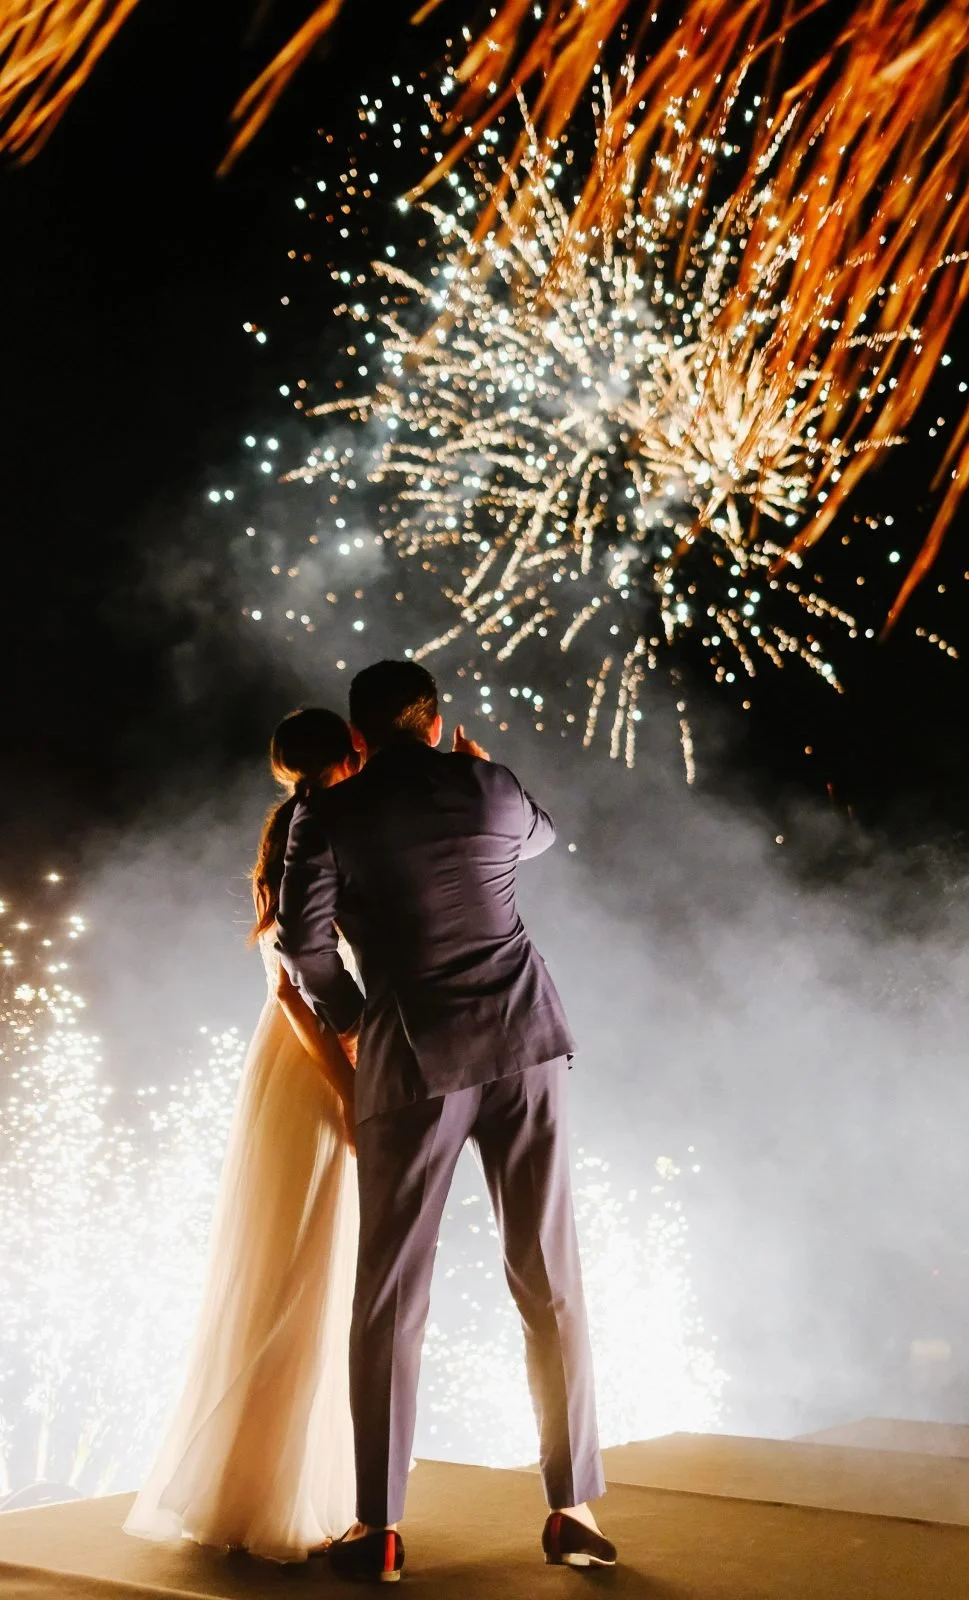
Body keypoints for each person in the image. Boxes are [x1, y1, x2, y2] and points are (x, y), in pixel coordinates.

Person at [278, 660, 615, 1583]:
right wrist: (480, 767)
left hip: (417, 1055)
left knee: (390, 1296)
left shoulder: (328, 813)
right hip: (525, 1042)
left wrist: (356, 1021)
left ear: (357, 737)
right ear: (434, 722)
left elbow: (304, 946)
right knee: (550, 1279)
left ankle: (379, 1527)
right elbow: (540, 837)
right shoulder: (491, 784)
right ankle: (571, 1505)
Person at [124, 708, 362, 1562]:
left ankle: (271, 1485)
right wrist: (350, 1088)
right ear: (353, 755)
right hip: (314, 1072)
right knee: (298, 1274)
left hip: (301, 1068)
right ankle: (264, 1494)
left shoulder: (297, 832)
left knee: (304, 1275)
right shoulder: (319, 834)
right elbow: (296, 992)